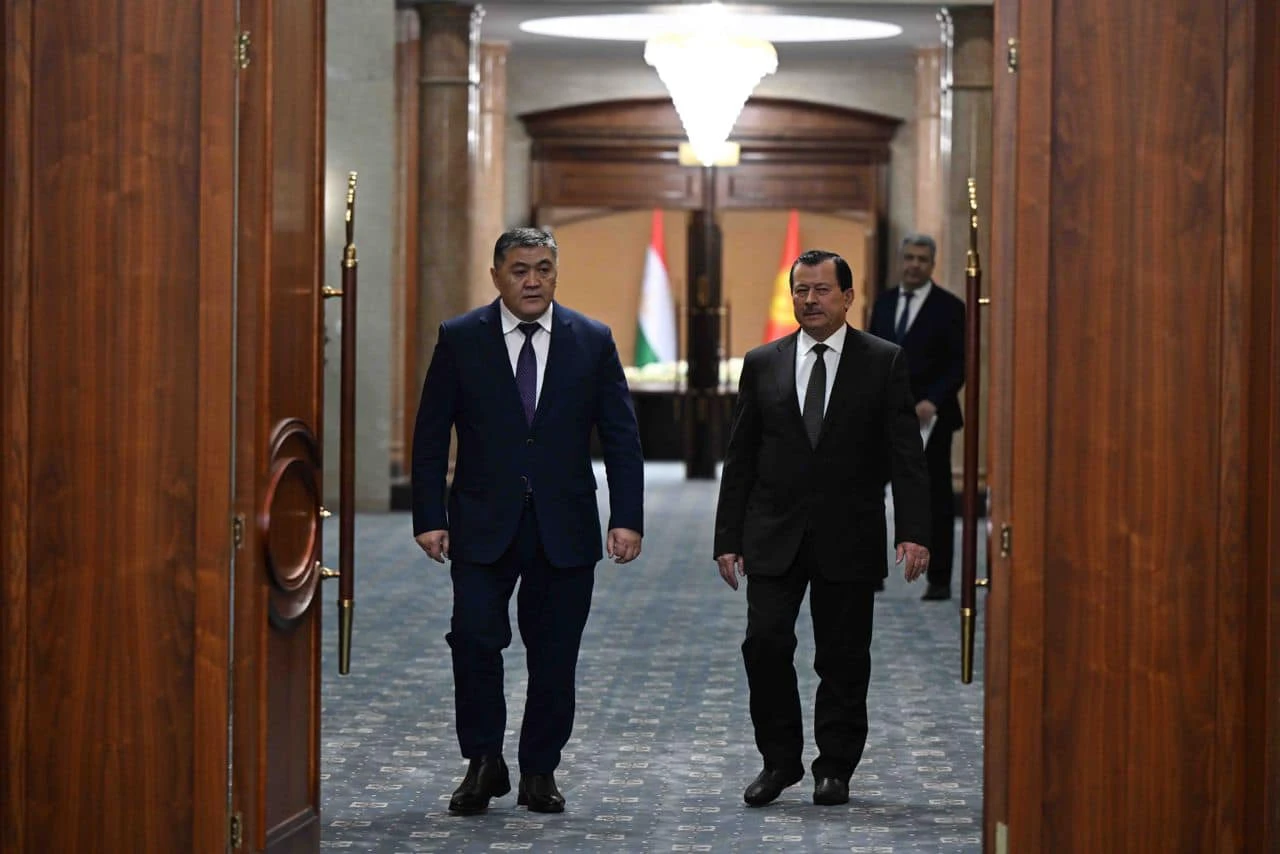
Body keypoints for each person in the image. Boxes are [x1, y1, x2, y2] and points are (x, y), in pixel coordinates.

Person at [411, 227, 645, 816]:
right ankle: (483, 760)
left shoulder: (591, 340)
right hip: (480, 522)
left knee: (554, 655)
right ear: (496, 275)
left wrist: (627, 517)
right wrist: (428, 516)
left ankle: (540, 769)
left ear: (555, 274)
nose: (533, 280)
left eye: (543, 268)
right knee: (473, 640)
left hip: (564, 526)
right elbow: (431, 435)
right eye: (519, 269)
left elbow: (621, 437)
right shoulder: (461, 338)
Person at [713, 249, 931, 808]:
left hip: (848, 533)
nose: (810, 301)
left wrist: (914, 530)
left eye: (822, 291)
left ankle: (834, 767)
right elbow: (740, 458)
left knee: (842, 657)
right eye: (801, 290)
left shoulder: (883, 360)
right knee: (764, 645)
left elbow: (906, 455)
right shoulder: (763, 361)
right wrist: (727, 539)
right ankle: (778, 760)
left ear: (848, 297)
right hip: (772, 534)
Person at [868, 234, 965, 601]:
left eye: (922, 259)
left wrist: (933, 401)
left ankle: (938, 579)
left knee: (935, 498)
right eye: (908, 257)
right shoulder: (885, 302)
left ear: (932, 264)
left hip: (931, 420)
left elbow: (960, 362)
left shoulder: (950, 307)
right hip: (883, 417)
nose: (914, 265)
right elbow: (870, 353)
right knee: (869, 494)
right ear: (900, 260)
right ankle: (871, 570)